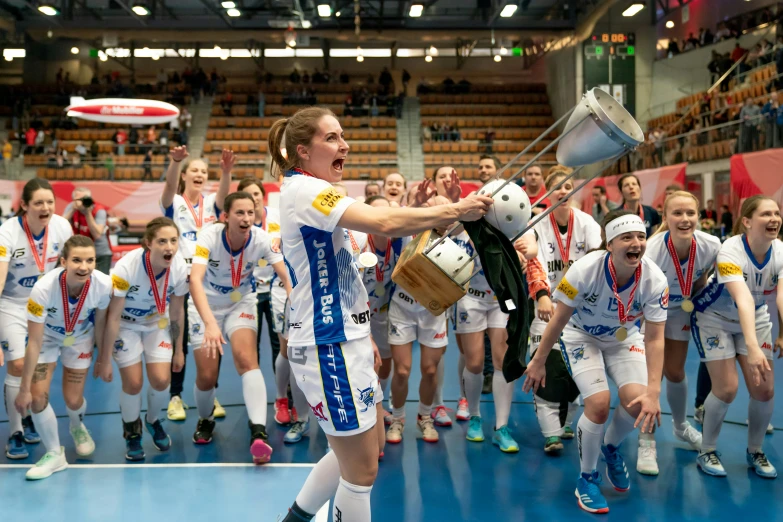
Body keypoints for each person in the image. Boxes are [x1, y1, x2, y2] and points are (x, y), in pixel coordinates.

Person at [271, 107, 492, 522]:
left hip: (348, 337)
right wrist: (454, 210)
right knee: (363, 471)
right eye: (332, 138)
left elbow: (358, 259)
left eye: (343, 136)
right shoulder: (305, 191)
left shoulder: (318, 193)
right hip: (326, 344)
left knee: (362, 450)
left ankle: (295, 518)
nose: (345, 145)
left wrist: (365, 334)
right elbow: (386, 220)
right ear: (303, 151)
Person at [523, 210, 668, 514]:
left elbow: (655, 338)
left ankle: (610, 447)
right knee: (599, 404)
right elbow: (559, 319)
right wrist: (538, 360)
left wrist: (654, 391)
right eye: (627, 237)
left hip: (624, 338)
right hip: (581, 337)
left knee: (637, 402)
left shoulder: (654, 279)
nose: (636, 243)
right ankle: (587, 477)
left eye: (641, 237)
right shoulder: (584, 269)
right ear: (610, 243)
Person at [189, 192, 291, 462]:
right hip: (206, 304)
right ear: (225, 216)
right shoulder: (208, 237)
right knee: (207, 376)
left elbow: (285, 274)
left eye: (250, 212)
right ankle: (205, 418)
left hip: (241, 302)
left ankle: (258, 432)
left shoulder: (262, 240)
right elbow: (195, 281)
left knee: (248, 360)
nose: (246, 218)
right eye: (239, 213)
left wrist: (297, 298)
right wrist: (210, 324)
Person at [690, 195, 782, 478]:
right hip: (714, 319)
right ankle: (707, 449)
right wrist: (752, 347)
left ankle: (755, 450)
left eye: (777, 213)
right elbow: (742, 299)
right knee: (727, 388)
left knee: (764, 389)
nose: (774, 219)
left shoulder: (780, 250)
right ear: (746, 221)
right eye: (766, 214)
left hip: (755, 317)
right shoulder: (730, 250)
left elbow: (781, 297)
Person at [637, 191, 720, 475]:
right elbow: (639, 291)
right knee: (652, 375)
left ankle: (681, 426)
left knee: (675, 372)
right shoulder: (652, 249)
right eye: (677, 213)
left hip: (680, 309)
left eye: (690, 213)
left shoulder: (711, 245)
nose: (685, 219)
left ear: (699, 216)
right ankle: (646, 440)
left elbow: (702, 275)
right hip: (650, 311)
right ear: (665, 218)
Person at [15, 235, 112, 480]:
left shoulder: (103, 285)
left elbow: (101, 322)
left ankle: (77, 425)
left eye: (90, 260)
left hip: (80, 336)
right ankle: (54, 454)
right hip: (46, 337)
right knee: (37, 397)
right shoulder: (42, 289)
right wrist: (24, 388)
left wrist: (103, 358)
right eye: (77, 260)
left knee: (73, 399)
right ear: (63, 262)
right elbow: (34, 341)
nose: (84, 266)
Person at [100, 218, 188, 461]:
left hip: (156, 324)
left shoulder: (180, 267)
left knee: (161, 381)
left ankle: (152, 420)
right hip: (126, 326)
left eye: (173, 240)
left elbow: (178, 311)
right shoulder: (126, 267)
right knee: (134, 384)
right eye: (162, 241)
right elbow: (113, 316)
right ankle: (131, 432)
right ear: (148, 243)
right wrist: (105, 358)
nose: (169, 247)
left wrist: (179, 350)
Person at [528, 170, 602, 454]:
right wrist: (543, 296)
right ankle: (550, 434)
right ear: (548, 192)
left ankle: (568, 421)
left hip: (581, 309)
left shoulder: (587, 223)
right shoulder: (536, 222)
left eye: (568, 186)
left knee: (576, 371)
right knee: (544, 367)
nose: (563, 192)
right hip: (546, 307)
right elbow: (532, 260)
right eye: (557, 187)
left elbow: (598, 259)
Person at [1, 178, 73, 460]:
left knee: (40, 367)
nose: (46, 208)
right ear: (24, 207)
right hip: (12, 304)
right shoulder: (7, 233)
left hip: (44, 304)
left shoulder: (61, 227)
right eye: (39, 203)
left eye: (50, 202)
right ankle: (16, 431)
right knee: (17, 365)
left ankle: (29, 416)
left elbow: (70, 266)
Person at [160, 146, 233, 420]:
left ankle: (209, 395)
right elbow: (168, 185)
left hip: (209, 283)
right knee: (179, 339)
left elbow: (225, 195)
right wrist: (175, 162)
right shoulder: (174, 203)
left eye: (204, 171)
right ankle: (175, 397)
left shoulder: (213, 204)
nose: (200, 174)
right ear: (186, 175)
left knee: (212, 338)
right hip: (180, 281)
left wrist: (226, 171)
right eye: (195, 170)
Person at [235, 177, 297, 434]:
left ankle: (286, 399)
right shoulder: (239, 223)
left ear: (262, 196)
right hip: (249, 289)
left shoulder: (277, 217)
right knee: (251, 350)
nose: (254, 198)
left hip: (274, 287)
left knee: (279, 346)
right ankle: (258, 399)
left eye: (257, 194)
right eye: (248, 195)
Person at [62, 187, 113, 274]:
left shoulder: (99, 210)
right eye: (79, 199)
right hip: (79, 253)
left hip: (100, 254)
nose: (83, 202)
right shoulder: (71, 207)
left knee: (101, 283)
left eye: (85, 199)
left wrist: (87, 213)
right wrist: (73, 210)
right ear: (74, 200)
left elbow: (97, 234)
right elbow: (60, 225)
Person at [617, 174, 661, 238]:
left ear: (639, 189)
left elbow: (654, 238)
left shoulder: (651, 212)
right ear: (621, 192)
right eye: (626, 185)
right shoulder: (616, 216)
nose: (631, 187)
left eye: (634, 184)